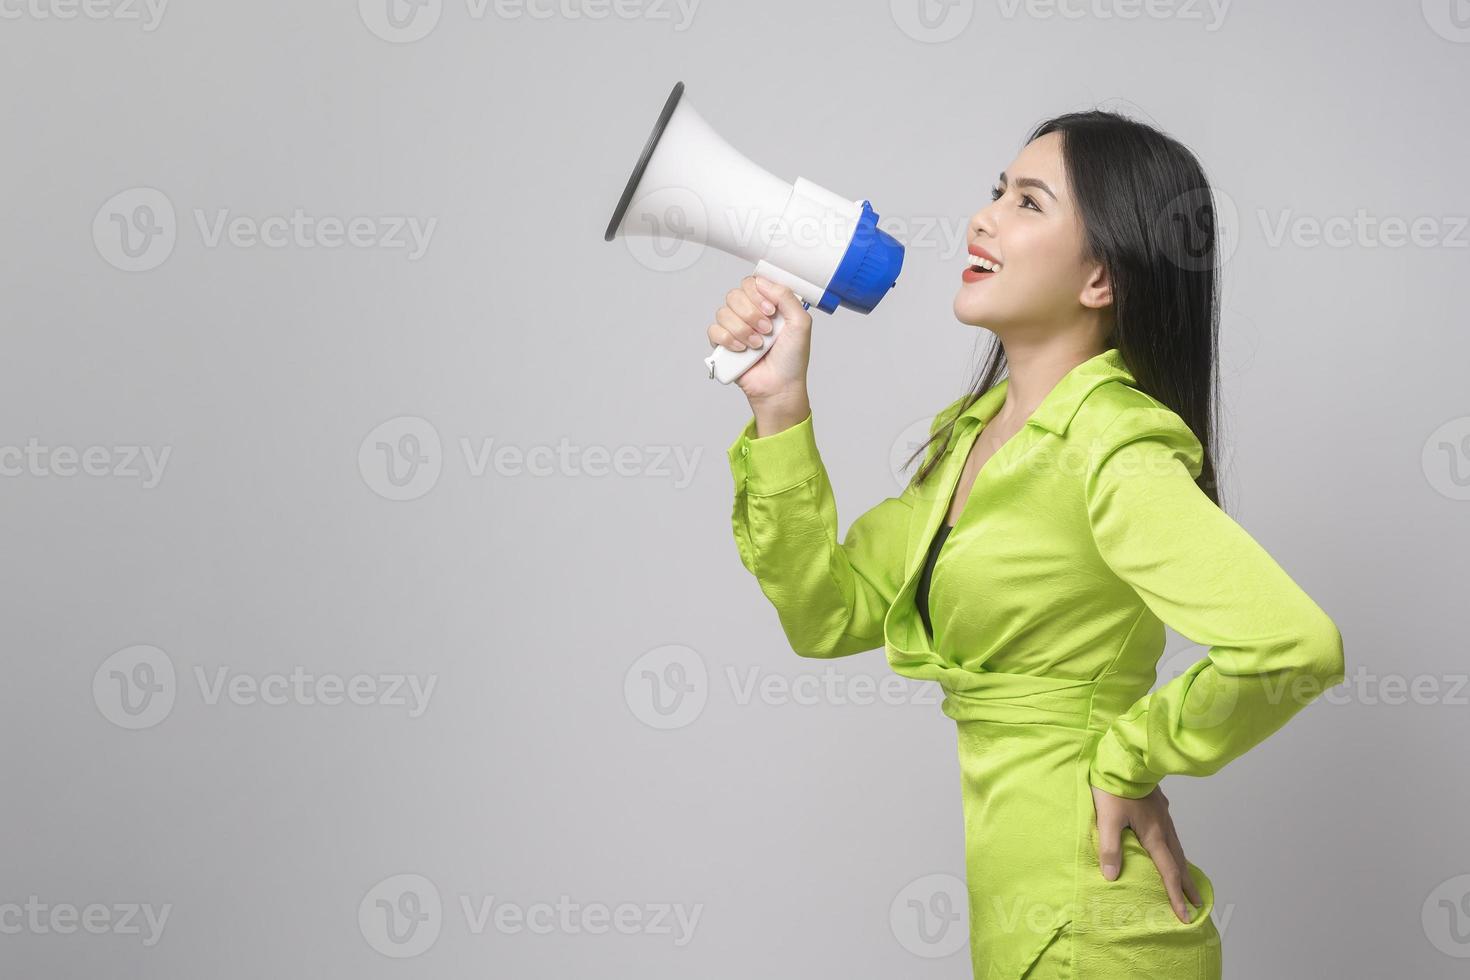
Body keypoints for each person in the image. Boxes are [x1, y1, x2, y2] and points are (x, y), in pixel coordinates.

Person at [710, 111, 1345, 979]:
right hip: (1024, 916)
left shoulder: (1112, 445)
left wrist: (1128, 758)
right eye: (995, 192)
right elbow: (828, 614)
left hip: (1094, 929)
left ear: (1100, 278)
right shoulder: (973, 437)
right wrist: (778, 407)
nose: (985, 217)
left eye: (1029, 202)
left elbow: (1293, 644)